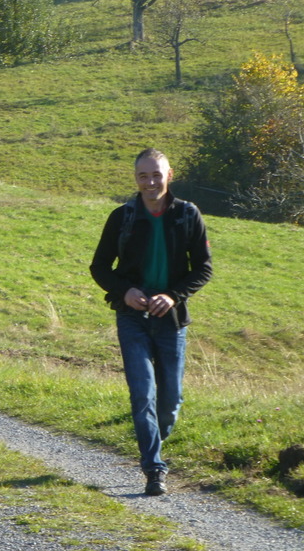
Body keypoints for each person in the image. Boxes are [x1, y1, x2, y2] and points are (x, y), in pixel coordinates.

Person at [90, 148, 212, 496]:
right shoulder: (122, 217)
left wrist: (172, 295)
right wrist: (125, 291)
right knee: (143, 392)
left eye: (156, 174)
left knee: (170, 402)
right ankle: (154, 468)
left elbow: (203, 268)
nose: (150, 182)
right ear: (136, 178)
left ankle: (154, 438)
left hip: (171, 320)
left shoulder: (187, 215)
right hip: (133, 318)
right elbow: (100, 267)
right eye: (143, 176)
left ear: (169, 175)